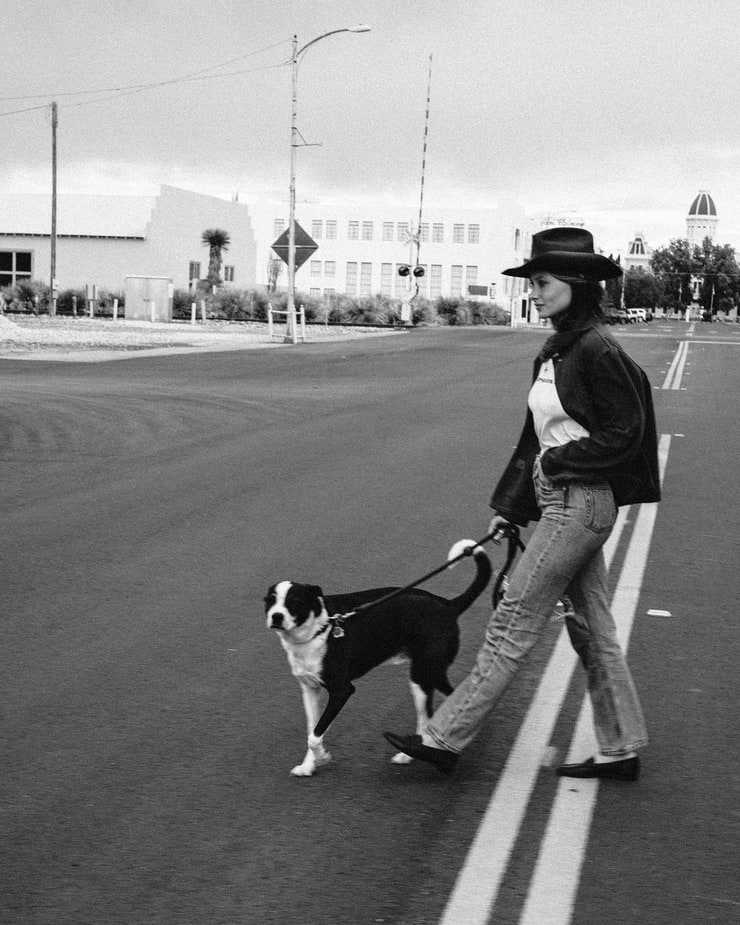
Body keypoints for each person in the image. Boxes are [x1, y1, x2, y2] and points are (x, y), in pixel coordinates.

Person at [384, 227, 661, 780]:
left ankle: (444, 736)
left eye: (542, 282)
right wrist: (513, 505)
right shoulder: (561, 347)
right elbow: (536, 436)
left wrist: (558, 467)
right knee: (592, 628)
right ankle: (622, 746)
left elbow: (623, 431)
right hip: (563, 502)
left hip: (578, 504)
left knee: (512, 618)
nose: (533, 291)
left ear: (576, 283)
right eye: (532, 282)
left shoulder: (596, 350)